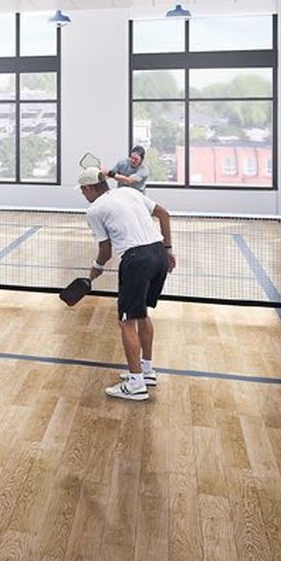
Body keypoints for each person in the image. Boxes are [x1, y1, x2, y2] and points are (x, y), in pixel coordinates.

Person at [73, 166, 175, 402]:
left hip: (136, 261)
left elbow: (105, 250)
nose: (83, 195)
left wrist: (95, 270)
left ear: (88, 188)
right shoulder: (128, 192)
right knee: (141, 314)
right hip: (158, 253)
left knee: (126, 321)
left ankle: (136, 384)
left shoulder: (95, 210)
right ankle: (146, 371)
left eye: (82, 191)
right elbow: (164, 214)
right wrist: (168, 249)